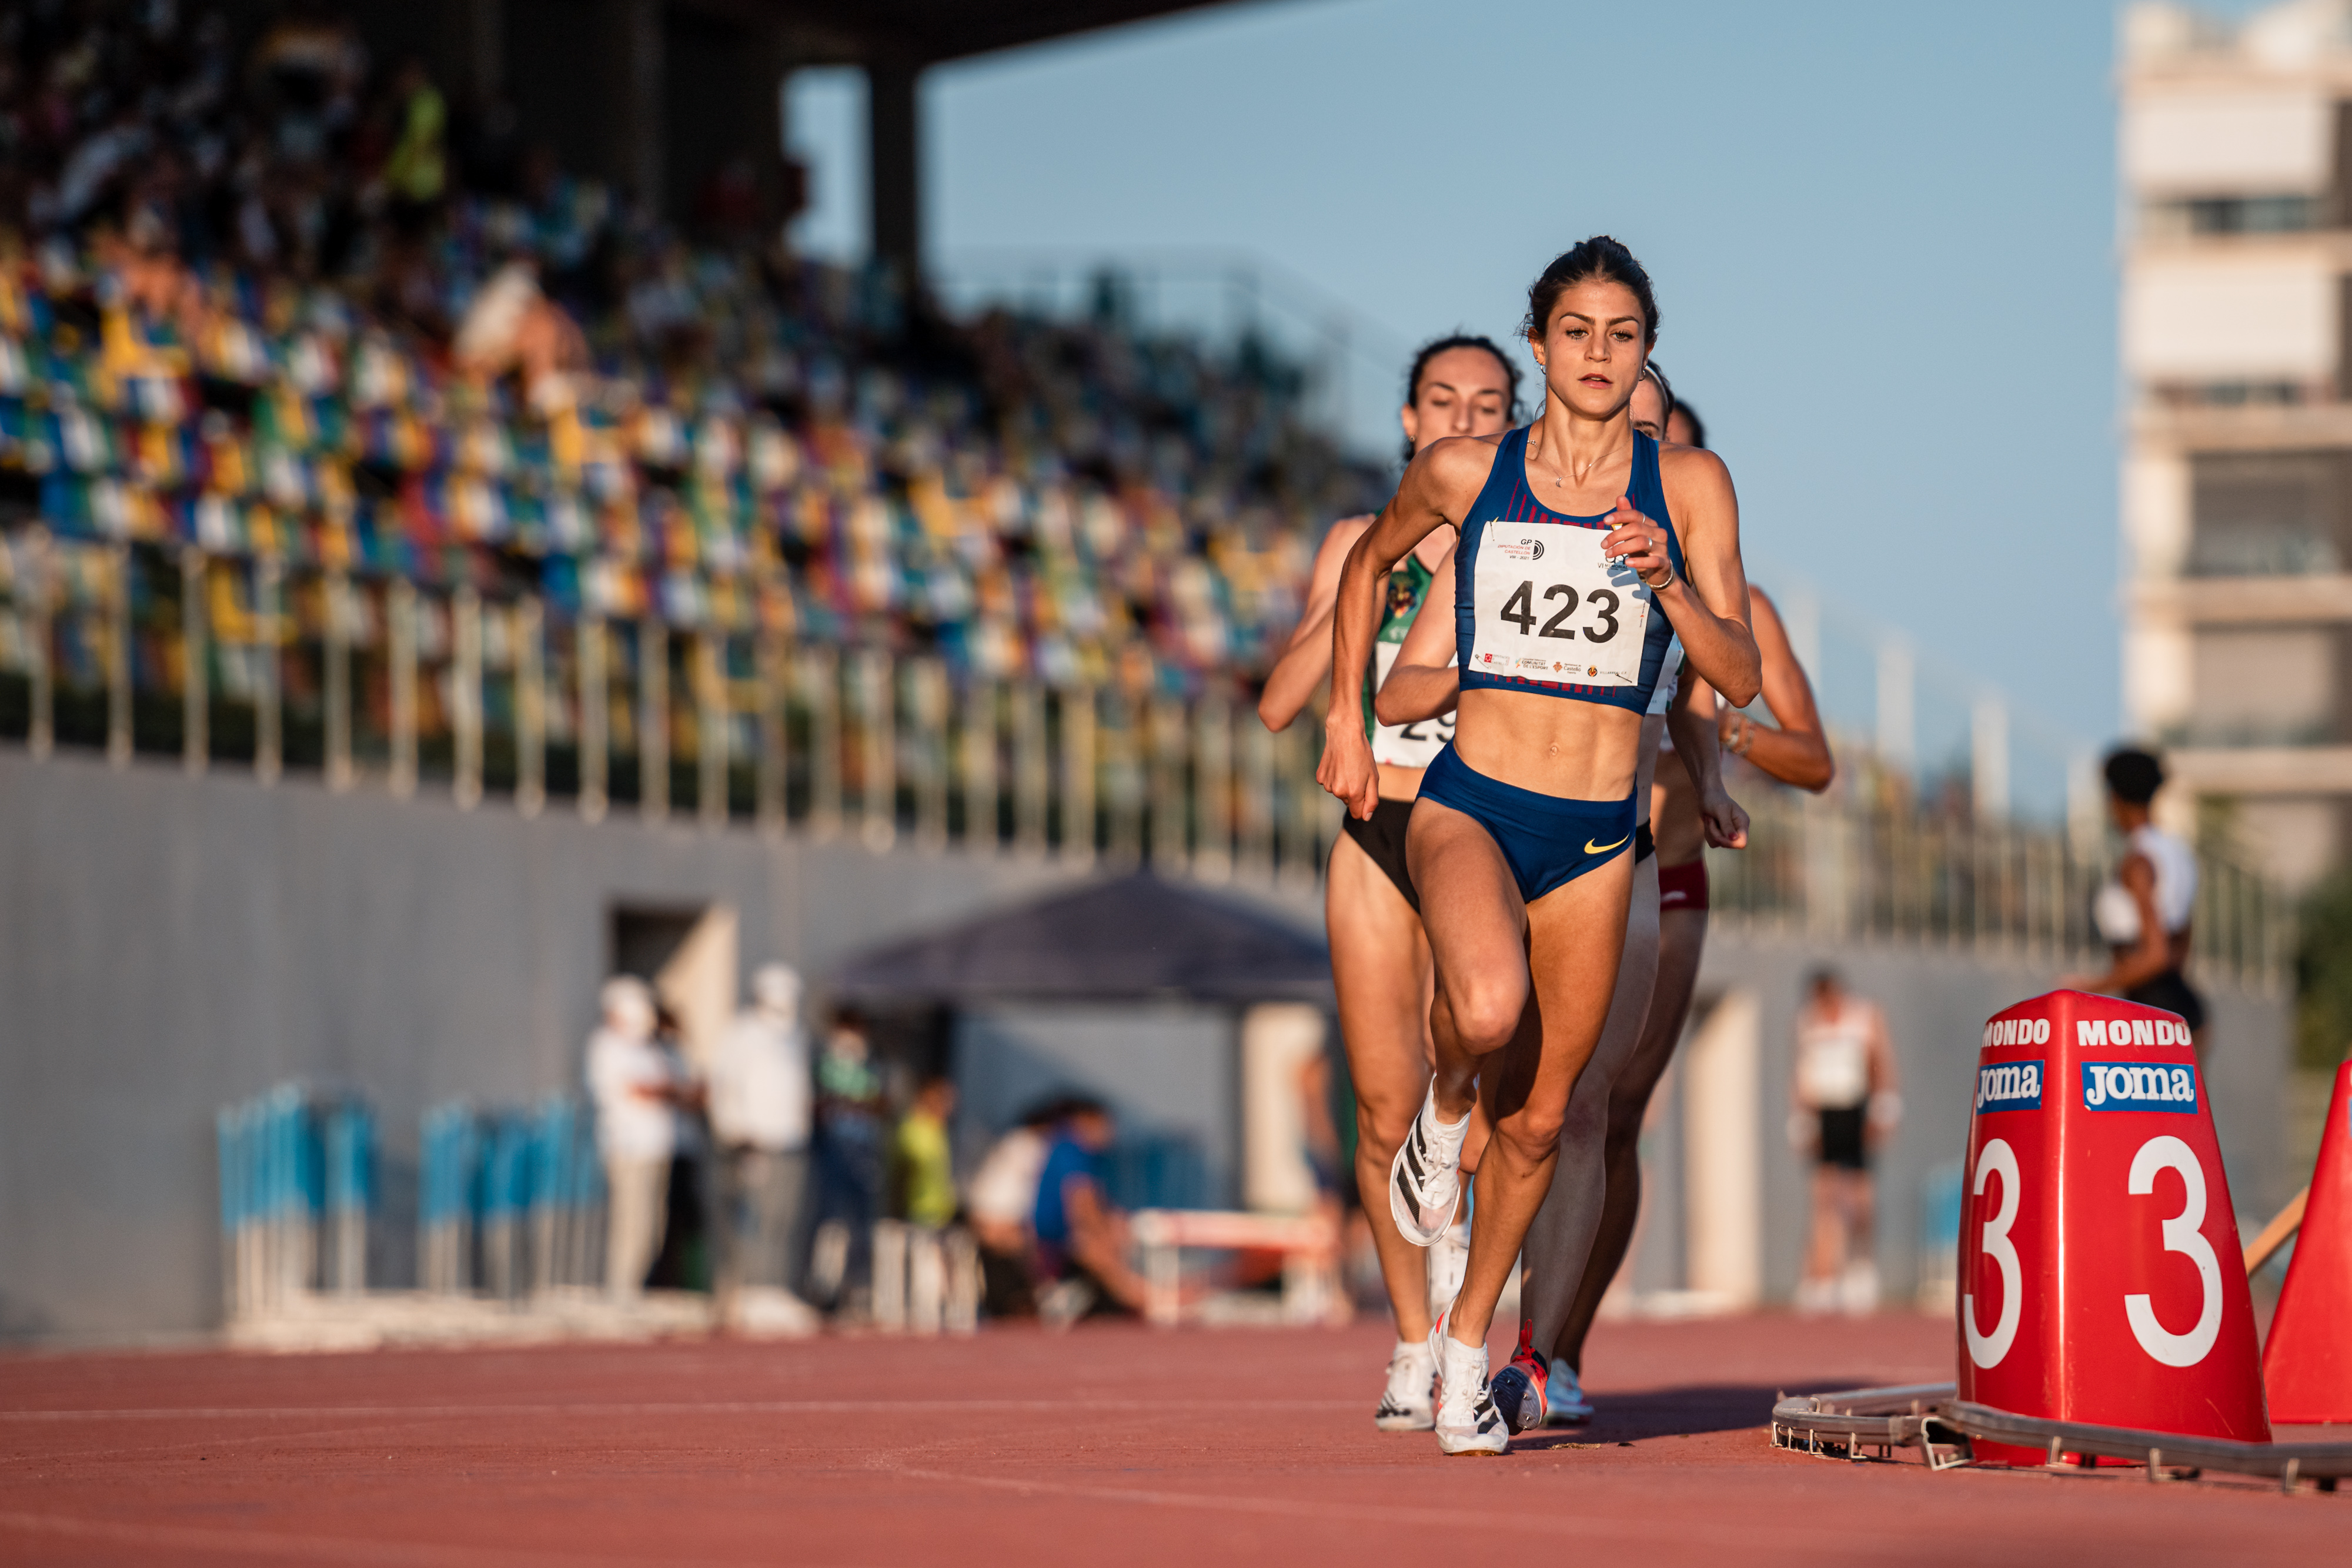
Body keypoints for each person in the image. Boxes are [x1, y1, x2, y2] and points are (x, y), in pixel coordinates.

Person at [1322, 236, 1761, 1454]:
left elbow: (1739, 670)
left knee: (1547, 1117)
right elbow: (1366, 566)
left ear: (1646, 354)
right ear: (1538, 347)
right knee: (1482, 1004)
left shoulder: (1692, 486)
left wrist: (1666, 581)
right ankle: (1438, 1116)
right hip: (1472, 801)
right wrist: (1346, 725)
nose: (1598, 355)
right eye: (1576, 332)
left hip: (1595, 835)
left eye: (1622, 336)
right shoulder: (1470, 470)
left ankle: (1469, 1352)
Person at [1535, 379, 1835, 1424]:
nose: (1644, 453)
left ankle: (1556, 1350)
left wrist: (1707, 724)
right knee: (1524, 1103)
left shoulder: (1739, 610)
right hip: (1553, 861)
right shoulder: (1548, 548)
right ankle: (1460, 1327)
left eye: (1666, 442)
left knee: (1609, 1115)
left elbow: (1816, 760)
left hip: (1663, 872)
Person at [1258, 332, 1518, 1429]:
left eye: (1488, 404)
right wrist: (1363, 590)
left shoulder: (1532, 544)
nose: (1463, 419)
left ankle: (1473, 1308)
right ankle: (1413, 1340)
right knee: (1378, 1106)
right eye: (1442, 401)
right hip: (1375, 828)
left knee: (1476, 1064)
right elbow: (1277, 699)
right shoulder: (1357, 540)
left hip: (1477, 829)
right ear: (1409, 422)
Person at [2065, 746, 2204, 1046]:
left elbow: (2156, 955)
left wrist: (2089, 986)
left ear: (2116, 798)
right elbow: (2180, 943)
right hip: (2185, 1010)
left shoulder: (2138, 862)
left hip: (2151, 1015)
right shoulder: (2179, 854)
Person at [1790, 968, 1900, 1315]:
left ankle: (1861, 1268)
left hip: (1856, 1109)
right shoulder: (1808, 1022)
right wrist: (1801, 1120)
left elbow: (1882, 1062)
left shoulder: (1865, 1017)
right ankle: (1822, 1277)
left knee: (1859, 1198)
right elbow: (1801, 1071)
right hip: (1825, 1111)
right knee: (1824, 1198)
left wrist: (1884, 1108)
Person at [706, 962, 813, 1300]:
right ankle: (749, 1290)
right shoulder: (742, 1032)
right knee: (754, 1220)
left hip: (790, 1142)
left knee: (783, 1220)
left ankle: (775, 1288)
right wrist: (734, 1131)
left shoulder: (796, 1035)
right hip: (754, 1143)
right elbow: (723, 1085)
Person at [586, 976, 685, 1299]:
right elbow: (641, 1090)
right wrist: (672, 1090)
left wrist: (671, 1089)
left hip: (656, 1147)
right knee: (631, 1224)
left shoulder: (649, 1049)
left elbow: (670, 1085)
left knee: (652, 1226)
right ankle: (621, 1290)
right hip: (629, 1148)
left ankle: (636, 1287)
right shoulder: (607, 1044)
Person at [1031, 1098, 1151, 1322]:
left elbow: (1095, 1202)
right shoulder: (1072, 1149)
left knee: (1117, 1227)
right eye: (1105, 1125)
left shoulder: (1075, 1150)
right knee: (1098, 1244)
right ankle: (1140, 1297)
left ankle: (1137, 1294)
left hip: (1060, 1233)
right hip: (1054, 1236)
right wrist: (1106, 1235)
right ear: (1086, 1122)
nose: (1110, 1133)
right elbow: (1081, 1206)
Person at [967, 1095, 1074, 1318]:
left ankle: (1041, 1297)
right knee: (1034, 1252)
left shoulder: (1015, 1142)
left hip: (988, 1214)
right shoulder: (1030, 1146)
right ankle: (1046, 1296)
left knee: (1030, 1250)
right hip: (994, 1217)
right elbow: (1027, 1195)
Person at [891, 1075, 960, 1232]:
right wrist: (897, 1212)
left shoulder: (937, 1127)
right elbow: (902, 1172)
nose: (951, 1107)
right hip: (916, 1212)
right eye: (946, 1099)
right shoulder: (912, 1127)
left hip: (939, 1213)